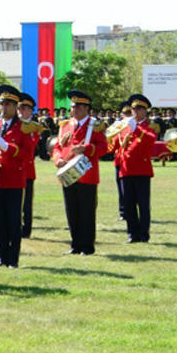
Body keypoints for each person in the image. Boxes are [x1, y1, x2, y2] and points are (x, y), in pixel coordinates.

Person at [51, 89, 108, 255]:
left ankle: (87, 246)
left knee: (87, 211)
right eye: (72, 107)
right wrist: (57, 159)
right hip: (67, 172)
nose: (73, 110)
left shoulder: (94, 125)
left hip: (86, 174)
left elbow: (105, 148)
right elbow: (57, 147)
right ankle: (75, 244)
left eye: (76, 107)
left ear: (85, 108)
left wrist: (87, 148)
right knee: (72, 210)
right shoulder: (65, 125)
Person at [0, 85, 33, 267]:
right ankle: (1, 257)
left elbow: (27, 154)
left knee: (13, 221)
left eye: (8, 104)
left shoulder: (24, 127)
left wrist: (7, 147)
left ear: (15, 106)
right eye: (2, 104)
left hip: (14, 180)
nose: (4, 108)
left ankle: (13, 259)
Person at [111, 94, 158, 243]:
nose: (135, 112)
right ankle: (132, 234)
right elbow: (114, 144)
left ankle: (144, 234)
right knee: (128, 204)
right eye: (133, 109)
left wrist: (135, 129)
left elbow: (149, 140)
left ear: (145, 111)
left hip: (141, 170)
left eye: (139, 109)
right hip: (125, 169)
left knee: (143, 205)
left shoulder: (149, 126)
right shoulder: (126, 125)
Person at [17, 92, 42, 239]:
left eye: (24, 109)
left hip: (26, 170)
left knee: (26, 203)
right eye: (20, 108)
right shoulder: (14, 125)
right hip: (13, 169)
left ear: (30, 111)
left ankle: (26, 229)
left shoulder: (34, 127)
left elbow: (31, 147)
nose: (21, 111)